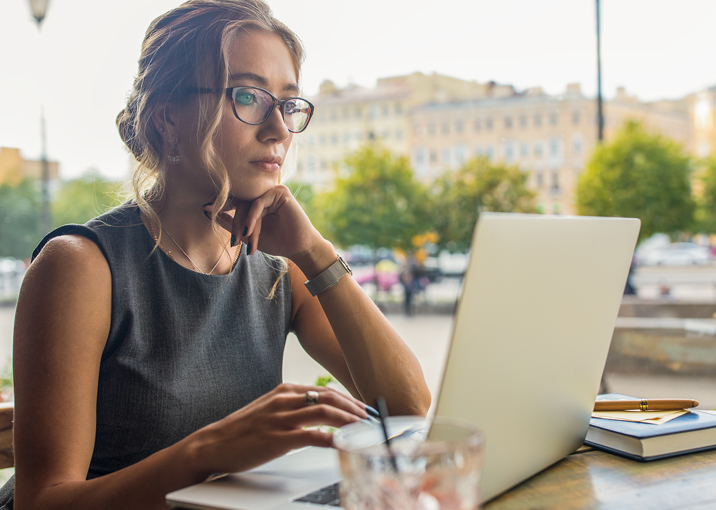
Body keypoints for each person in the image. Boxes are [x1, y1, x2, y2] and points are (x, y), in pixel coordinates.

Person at [1, 1, 430, 508]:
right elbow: (41, 501)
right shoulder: (80, 266)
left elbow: (407, 407)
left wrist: (315, 252)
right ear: (166, 116)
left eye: (289, 104)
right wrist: (209, 449)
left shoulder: (280, 268)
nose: (278, 129)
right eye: (247, 96)